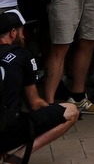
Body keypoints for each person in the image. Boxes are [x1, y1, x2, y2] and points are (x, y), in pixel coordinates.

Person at [0, 10, 79, 164]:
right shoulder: (23, 55)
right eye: (22, 32)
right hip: (6, 131)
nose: (24, 36)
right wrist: (50, 109)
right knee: (71, 111)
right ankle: (18, 157)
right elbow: (35, 104)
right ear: (13, 32)